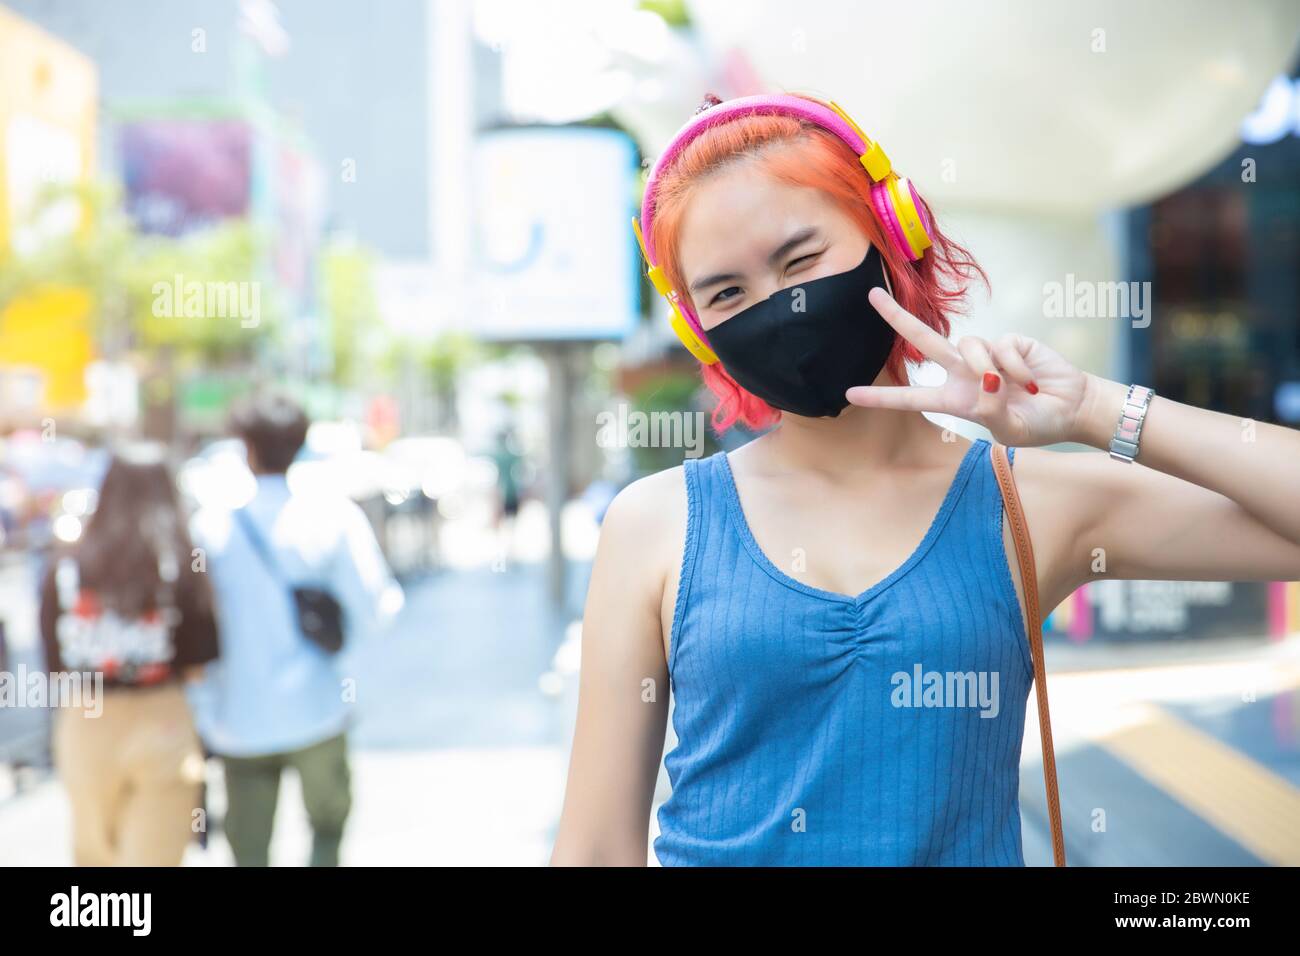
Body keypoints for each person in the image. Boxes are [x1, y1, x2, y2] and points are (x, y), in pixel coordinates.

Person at [550, 92, 1300, 866]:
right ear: (697, 329)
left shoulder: (1028, 505)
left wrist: (1092, 409)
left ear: (892, 234)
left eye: (801, 259)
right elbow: (596, 848)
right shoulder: (657, 524)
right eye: (728, 294)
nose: (782, 306)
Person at [187, 393, 403, 866]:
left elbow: (194, 626)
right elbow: (377, 608)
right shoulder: (333, 516)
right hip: (319, 708)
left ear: (245, 447)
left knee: (249, 849)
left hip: (237, 717)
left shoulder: (210, 529)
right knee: (328, 827)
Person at [39, 442, 218, 866]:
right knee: (154, 856)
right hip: (162, 718)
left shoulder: (67, 563)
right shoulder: (179, 562)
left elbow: (53, 657)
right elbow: (199, 659)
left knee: (95, 855)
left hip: (84, 721)